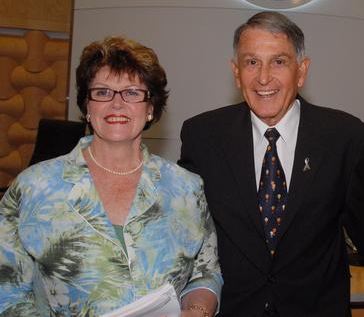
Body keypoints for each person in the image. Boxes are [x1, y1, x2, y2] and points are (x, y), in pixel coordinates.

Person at [179, 11, 364, 316]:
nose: (263, 77)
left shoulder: (344, 136)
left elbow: (360, 218)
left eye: (279, 61)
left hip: (317, 307)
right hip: (234, 308)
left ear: (301, 71)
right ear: (236, 72)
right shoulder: (203, 136)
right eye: (251, 62)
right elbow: (186, 226)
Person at [0, 36, 222, 316]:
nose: (117, 104)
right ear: (87, 107)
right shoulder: (33, 188)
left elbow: (206, 271)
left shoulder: (186, 189)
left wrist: (198, 309)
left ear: (150, 108)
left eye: (131, 92)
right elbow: (6, 292)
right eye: (103, 92)